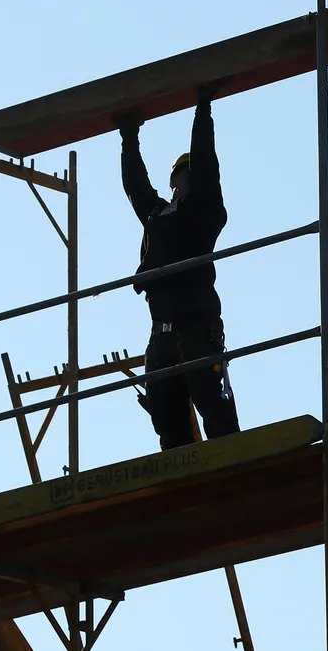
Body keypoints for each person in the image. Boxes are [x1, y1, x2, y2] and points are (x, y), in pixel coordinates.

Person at [113, 78, 241, 451]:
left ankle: (232, 462)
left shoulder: (202, 211)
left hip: (196, 326)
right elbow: (136, 187)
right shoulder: (159, 216)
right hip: (162, 332)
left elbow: (204, 158)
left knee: (211, 405)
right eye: (178, 177)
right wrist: (128, 138)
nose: (180, 181)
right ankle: (180, 474)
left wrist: (203, 107)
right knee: (165, 413)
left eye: (186, 175)